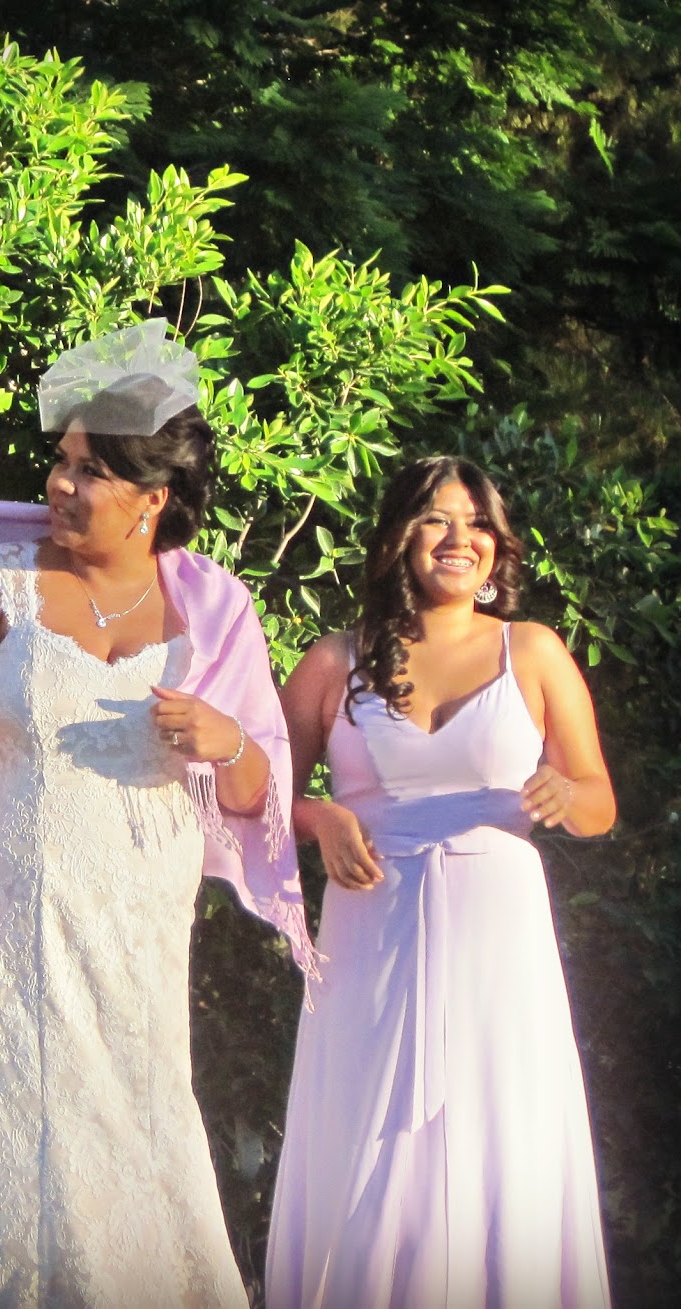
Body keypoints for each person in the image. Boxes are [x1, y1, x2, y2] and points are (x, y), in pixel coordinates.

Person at [0, 320, 316, 1308]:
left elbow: (256, 802)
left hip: (135, 929)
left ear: (152, 500)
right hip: (5, 923)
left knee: (130, 1131)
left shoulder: (210, 613)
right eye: (61, 464)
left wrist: (226, 741)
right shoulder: (0, 586)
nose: (60, 487)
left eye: (90, 473)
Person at [265, 456, 615, 1308]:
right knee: (369, 1145)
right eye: (436, 519)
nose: (460, 539)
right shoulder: (332, 663)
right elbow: (255, 794)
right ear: (395, 538)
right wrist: (320, 819)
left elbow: (601, 798)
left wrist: (568, 793)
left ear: (498, 546)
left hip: (502, 948)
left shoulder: (531, 650)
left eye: (477, 523)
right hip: (370, 937)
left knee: (503, 1131)